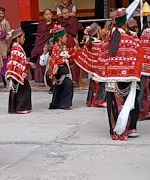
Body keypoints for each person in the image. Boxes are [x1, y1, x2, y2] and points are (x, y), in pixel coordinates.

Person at [75, 9, 142, 140]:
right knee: (129, 102)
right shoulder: (132, 39)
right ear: (125, 24)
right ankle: (129, 128)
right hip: (127, 77)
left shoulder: (107, 40)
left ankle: (115, 131)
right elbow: (139, 55)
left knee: (113, 104)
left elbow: (99, 55)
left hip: (111, 78)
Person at [6, 28, 35, 114]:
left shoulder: (15, 47)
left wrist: (28, 63)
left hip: (15, 72)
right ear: (18, 38)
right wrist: (28, 63)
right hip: (18, 73)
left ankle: (13, 108)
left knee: (15, 90)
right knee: (24, 90)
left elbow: (20, 60)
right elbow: (20, 60)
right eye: (23, 37)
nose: (24, 39)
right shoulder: (17, 48)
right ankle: (21, 107)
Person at [49, 25, 75, 110]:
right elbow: (55, 60)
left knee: (60, 87)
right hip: (59, 71)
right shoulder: (56, 47)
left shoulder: (60, 47)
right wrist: (64, 60)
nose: (66, 38)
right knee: (68, 84)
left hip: (61, 70)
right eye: (65, 37)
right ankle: (64, 104)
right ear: (60, 38)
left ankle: (56, 103)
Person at [80, 22, 107, 108]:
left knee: (92, 85)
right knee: (102, 84)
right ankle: (100, 100)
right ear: (97, 32)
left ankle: (90, 101)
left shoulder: (90, 44)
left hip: (92, 70)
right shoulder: (98, 44)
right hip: (99, 69)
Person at [57, 7, 83, 86]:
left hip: (71, 40)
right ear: (62, 14)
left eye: (67, 13)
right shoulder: (59, 21)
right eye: (64, 13)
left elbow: (80, 29)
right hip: (63, 41)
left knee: (75, 58)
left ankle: (75, 79)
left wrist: (77, 41)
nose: (66, 14)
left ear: (69, 12)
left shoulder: (73, 20)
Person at [31, 9, 56, 83]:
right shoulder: (41, 24)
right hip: (40, 43)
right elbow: (39, 36)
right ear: (44, 16)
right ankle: (40, 78)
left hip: (49, 45)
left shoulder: (54, 25)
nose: (48, 16)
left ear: (52, 15)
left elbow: (55, 37)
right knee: (39, 57)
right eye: (46, 14)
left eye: (49, 14)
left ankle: (48, 77)